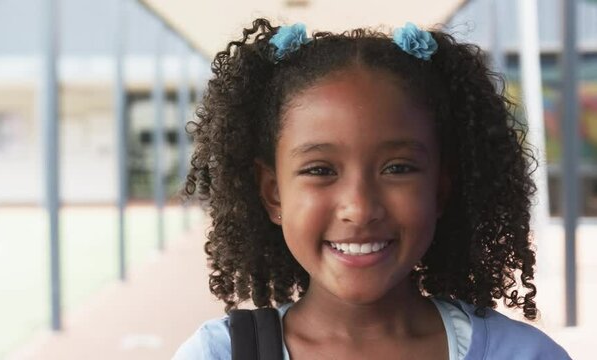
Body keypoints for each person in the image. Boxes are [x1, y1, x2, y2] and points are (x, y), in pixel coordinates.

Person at [174, 18, 571, 359]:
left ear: (440, 189)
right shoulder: (218, 354)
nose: (359, 208)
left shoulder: (524, 354)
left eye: (397, 168)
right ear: (273, 193)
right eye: (320, 170)